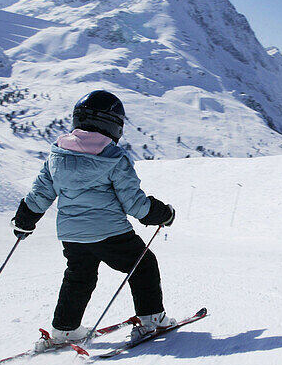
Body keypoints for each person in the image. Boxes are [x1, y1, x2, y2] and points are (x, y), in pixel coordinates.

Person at [10, 90, 177, 346]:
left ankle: (65, 330)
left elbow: (40, 192)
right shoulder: (113, 158)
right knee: (143, 265)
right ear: (113, 124)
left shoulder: (57, 155)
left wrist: (25, 220)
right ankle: (152, 319)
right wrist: (163, 213)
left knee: (79, 276)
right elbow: (135, 204)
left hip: (72, 234)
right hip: (110, 232)